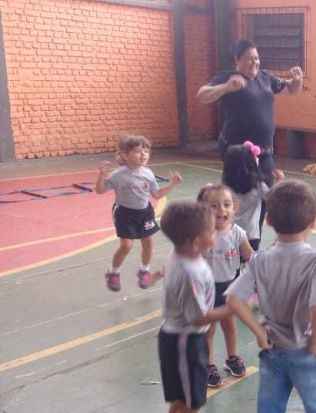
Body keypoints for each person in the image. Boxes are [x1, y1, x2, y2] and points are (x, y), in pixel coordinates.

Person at [224, 180, 316, 413]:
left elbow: (233, 298)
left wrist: (258, 331)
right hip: (309, 353)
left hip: (273, 352)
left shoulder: (260, 260)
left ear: (268, 219)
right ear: (313, 221)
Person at [151, 201, 228, 413]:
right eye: (212, 231)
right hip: (185, 341)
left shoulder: (178, 254)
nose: (215, 235)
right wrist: (232, 308)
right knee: (193, 400)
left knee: (181, 394)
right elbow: (197, 317)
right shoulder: (192, 272)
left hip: (174, 337)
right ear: (196, 242)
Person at [197, 39, 303, 187]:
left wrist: (297, 80)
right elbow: (202, 95)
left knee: (266, 192)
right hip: (238, 153)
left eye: (256, 58)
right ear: (237, 60)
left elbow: (291, 89)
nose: (254, 62)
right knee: (239, 192)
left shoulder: (265, 78)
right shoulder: (229, 78)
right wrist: (226, 87)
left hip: (264, 151)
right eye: (249, 59)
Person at [95, 135, 182, 292]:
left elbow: (157, 194)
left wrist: (172, 184)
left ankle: (144, 270)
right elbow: (100, 190)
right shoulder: (118, 175)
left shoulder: (148, 173)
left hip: (144, 212)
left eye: (146, 151)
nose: (144, 155)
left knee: (148, 243)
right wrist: (101, 176)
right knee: (126, 245)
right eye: (138, 151)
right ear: (125, 155)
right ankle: (113, 272)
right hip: (124, 213)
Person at [196, 184, 254, 388]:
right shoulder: (202, 234)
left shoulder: (238, 233)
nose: (221, 210)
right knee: (209, 328)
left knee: (229, 324)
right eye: (214, 206)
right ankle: (208, 364)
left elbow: (250, 256)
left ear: (234, 208)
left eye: (226, 205)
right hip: (207, 289)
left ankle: (232, 357)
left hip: (230, 288)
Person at [222, 143, 283, 251]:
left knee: (230, 260)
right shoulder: (257, 185)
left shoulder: (225, 186)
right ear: (250, 163)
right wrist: (280, 181)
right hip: (250, 234)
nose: (257, 159)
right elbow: (273, 197)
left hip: (229, 232)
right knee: (250, 260)